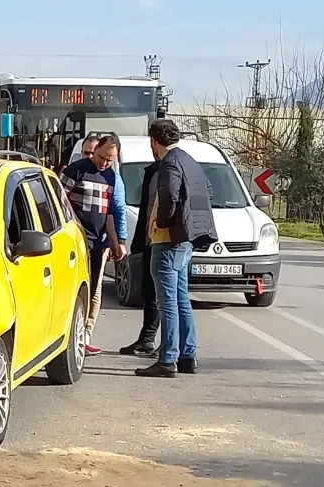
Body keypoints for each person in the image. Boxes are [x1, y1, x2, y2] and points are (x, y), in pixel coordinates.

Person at [135, 119, 217, 378]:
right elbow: (209, 192)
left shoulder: (169, 163)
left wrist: (162, 221)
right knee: (181, 299)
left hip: (168, 239)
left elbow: (170, 194)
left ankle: (167, 359)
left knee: (167, 301)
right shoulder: (190, 160)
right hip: (185, 240)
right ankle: (187, 355)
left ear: (154, 141)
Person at [61, 133, 127, 356]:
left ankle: (83, 335)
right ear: (95, 149)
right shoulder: (76, 170)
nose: (105, 163)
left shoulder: (111, 177)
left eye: (110, 160)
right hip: (77, 241)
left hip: (99, 243)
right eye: (102, 157)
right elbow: (60, 202)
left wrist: (117, 242)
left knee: (92, 289)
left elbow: (111, 213)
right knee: (74, 288)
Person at [119, 159, 161, 357]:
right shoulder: (154, 171)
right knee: (148, 291)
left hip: (163, 241)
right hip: (149, 240)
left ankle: (166, 343)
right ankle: (147, 339)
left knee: (162, 296)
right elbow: (146, 209)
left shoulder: (172, 168)